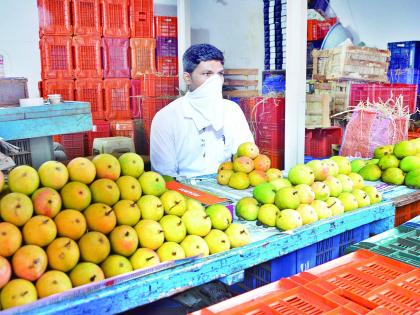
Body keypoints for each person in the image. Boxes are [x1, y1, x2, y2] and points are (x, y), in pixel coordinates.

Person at [150, 43, 254, 178]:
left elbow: (247, 158)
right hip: (184, 194)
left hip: (227, 187)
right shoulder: (166, 118)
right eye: (207, 74)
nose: (215, 81)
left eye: (220, 74)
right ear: (187, 78)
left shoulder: (232, 111)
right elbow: (165, 176)